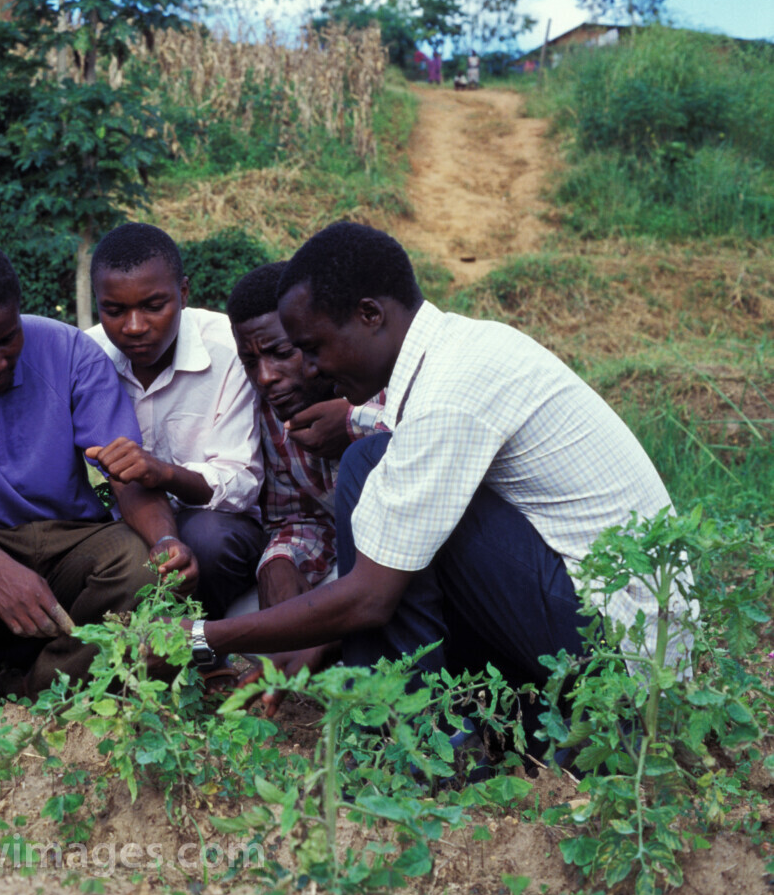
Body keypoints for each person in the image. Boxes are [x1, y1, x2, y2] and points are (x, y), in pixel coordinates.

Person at [190, 222, 692, 730]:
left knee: (371, 469)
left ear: (370, 315)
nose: (314, 369)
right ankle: (475, 722)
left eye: (313, 348)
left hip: (624, 665)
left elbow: (369, 597)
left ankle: (417, 743)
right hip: (597, 628)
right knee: (382, 473)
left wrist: (202, 637)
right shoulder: (462, 348)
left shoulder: (450, 395)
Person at [0, 239, 198, 695]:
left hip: (72, 533)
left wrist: (165, 539)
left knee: (142, 568)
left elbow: (124, 475)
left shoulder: (70, 351)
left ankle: (43, 686)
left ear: (18, 312)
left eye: (7, 339)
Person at [83, 222, 262, 619]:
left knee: (207, 540)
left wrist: (162, 472)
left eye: (152, 306)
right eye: (114, 310)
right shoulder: (87, 355)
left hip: (214, 520)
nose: (134, 326)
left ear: (183, 293)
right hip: (124, 519)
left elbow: (242, 481)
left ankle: (201, 644)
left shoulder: (228, 351)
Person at [222, 262, 382, 666]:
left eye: (280, 353)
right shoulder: (271, 414)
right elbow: (296, 517)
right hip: (343, 571)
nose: (266, 377)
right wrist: (280, 565)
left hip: (406, 569)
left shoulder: (378, 388)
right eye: (250, 362)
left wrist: (352, 424)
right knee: (242, 624)